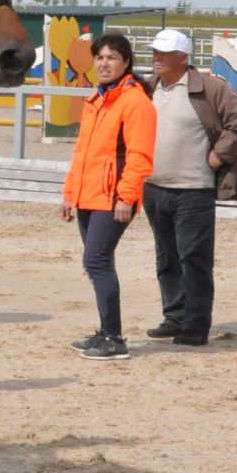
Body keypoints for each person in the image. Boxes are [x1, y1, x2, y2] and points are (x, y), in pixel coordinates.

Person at [142, 29, 237, 346]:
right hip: (153, 187)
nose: (156, 57)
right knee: (166, 257)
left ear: (183, 58)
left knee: (194, 258)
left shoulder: (209, 88)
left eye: (163, 53)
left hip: (193, 190)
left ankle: (195, 325)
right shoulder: (149, 87)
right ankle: (174, 316)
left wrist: (221, 153)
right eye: (154, 51)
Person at [60, 33, 156, 360]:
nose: (104, 63)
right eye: (99, 57)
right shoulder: (97, 98)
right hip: (89, 196)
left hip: (113, 197)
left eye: (111, 57)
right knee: (99, 262)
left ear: (126, 62)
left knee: (95, 260)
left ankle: (114, 338)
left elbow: (140, 155)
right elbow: (82, 152)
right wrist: (70, 193)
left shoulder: (135, 101)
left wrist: (127, 197)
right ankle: (105, 332)